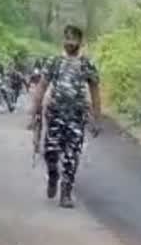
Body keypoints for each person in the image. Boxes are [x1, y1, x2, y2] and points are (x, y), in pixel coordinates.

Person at [28, 25, 101, 207]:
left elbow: (95, 92)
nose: (70, 42)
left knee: (72, 155)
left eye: (74, 39)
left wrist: (96, 119)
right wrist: (34, 112)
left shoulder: (86, 64)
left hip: (76, 116)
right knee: (50, 152)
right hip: (55, 114)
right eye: (67, 38)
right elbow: (42, 87)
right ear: (63, 40)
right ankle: (53, 176)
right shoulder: (54, 62)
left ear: (80, 42)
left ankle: (66, 192)